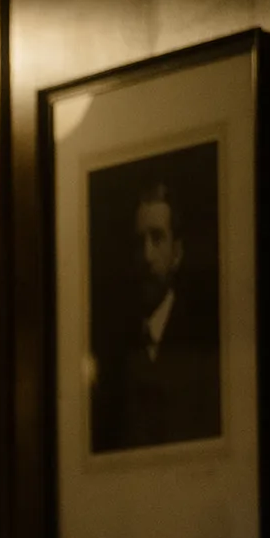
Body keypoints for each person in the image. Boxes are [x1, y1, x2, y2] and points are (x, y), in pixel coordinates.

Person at [90, 177, 222, 453]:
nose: (146, 255)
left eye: (157, 238)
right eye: (139, 242)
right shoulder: (112, 347)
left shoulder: (205, 343)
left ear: (177, 252)